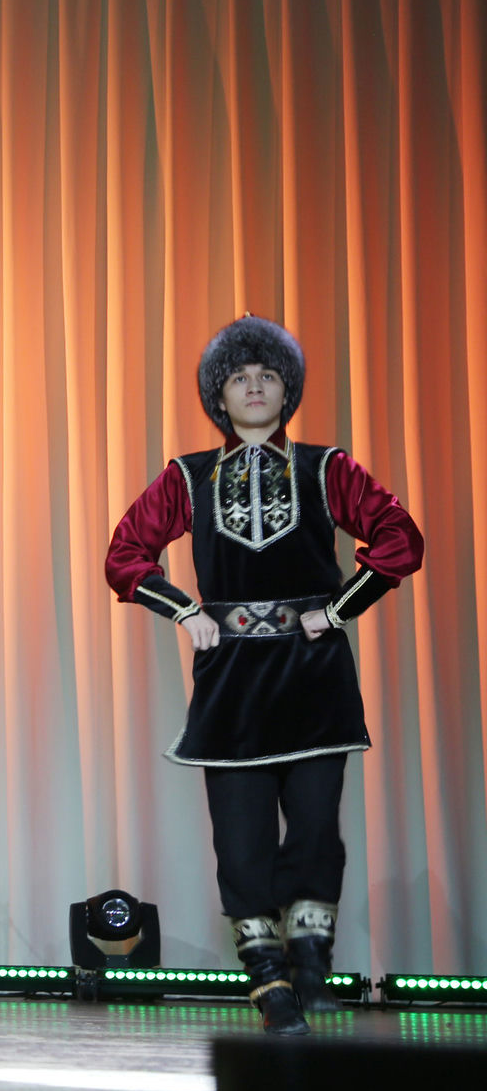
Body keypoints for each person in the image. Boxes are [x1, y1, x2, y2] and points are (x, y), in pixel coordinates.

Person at [106, 316, 422, 1034]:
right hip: (233, 682)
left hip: (314, 676)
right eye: (240, 378)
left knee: (314, 830)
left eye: (268, 375)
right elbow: (125, 554)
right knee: (242, 839)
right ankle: (267, 977)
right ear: (219, 395)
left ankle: (310, 961)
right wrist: (185, 610)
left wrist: (337, 610)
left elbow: (401, 538)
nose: (254, 387)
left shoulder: (326, 467)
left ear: (288, 390)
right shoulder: (189, 476)